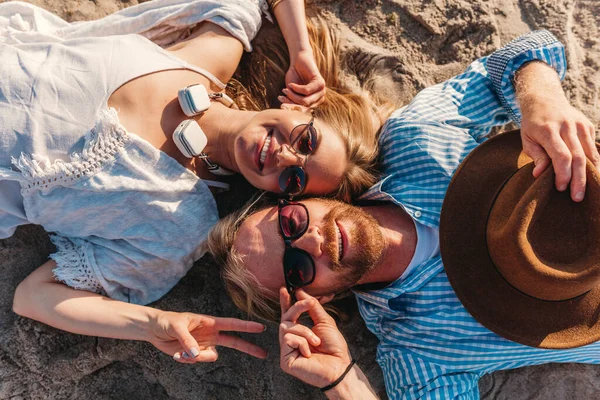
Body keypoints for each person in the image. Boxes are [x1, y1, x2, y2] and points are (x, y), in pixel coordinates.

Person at [208, 30, 600, 398]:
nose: (311, 241)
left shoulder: (413, 140)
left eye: (291, 224)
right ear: (320, 298)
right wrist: (343, 383)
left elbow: (529, 51)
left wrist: (541, 99)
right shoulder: (418, 350)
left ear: (301, 197)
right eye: (297, 268)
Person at [4, 0, 386, 364]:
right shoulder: (214, 52)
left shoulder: (180, 224)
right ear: (299, 108)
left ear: (279, 200)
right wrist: (301, 51)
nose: (284, 157)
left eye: (294, 179)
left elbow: (34, 297)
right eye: (306, 140)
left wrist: (151, 325)